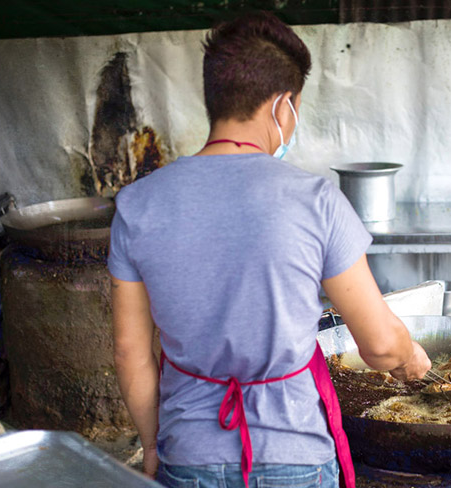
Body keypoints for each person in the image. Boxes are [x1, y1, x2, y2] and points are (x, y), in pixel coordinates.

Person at [109, 12, 431, 488]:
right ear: (284, 106)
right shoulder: (317, 202)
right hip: (296, 456)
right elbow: (381, 346)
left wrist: (154, 445)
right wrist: (411, 361)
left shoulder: (138, 205)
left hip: (188, 454)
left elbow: (129, 351)